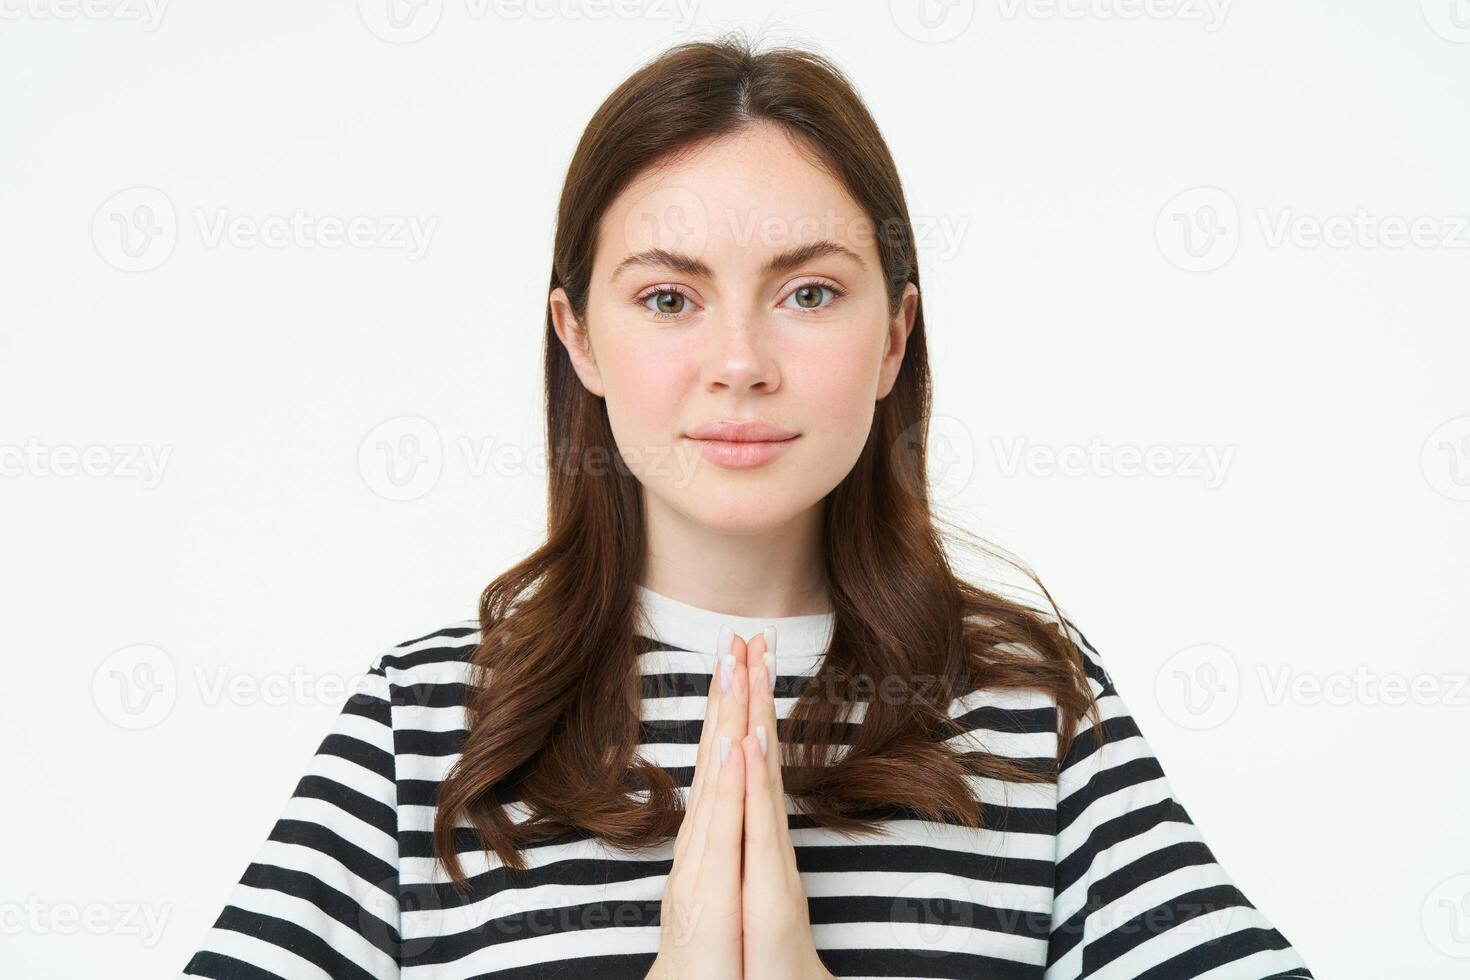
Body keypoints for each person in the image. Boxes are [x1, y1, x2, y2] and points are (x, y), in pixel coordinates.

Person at [181, 33, 1313, 979]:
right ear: (579, 338)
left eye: (808, 292)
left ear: (893, 335)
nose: (739, 361)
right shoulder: (427, 724)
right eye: (669, 296)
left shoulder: (1030, 715)